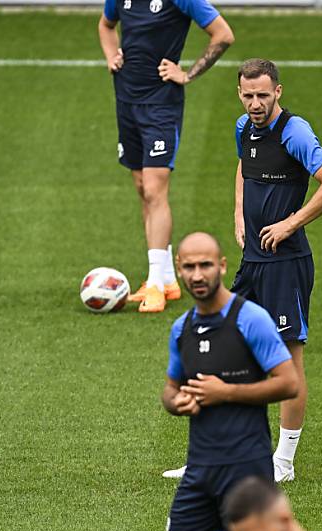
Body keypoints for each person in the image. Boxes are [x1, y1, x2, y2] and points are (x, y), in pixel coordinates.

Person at [164, 59, 322, 483]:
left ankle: (282, 462)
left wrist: (289, 223)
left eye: (263, 95)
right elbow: (244, 167)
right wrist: (238, 215)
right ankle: (213, 455)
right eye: (248, 95)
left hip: (287, 264)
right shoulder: (243, 128)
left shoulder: (293, 131)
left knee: (287, 362)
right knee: (225, 350)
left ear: (278, 92)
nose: (255, 103)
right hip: (253, 262)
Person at [158, 232, 300, 531]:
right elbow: (169, 388)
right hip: (200, 468)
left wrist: (227, 393)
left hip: (246, 469)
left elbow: (288, 382)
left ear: (221, 266)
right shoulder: (183, 328)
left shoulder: (250, 319)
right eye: (189, 266)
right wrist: (177, 402)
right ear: (178, 270)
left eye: (205, 265)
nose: (197, 274)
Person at [98, 0, 234, 313]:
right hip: (127, 100)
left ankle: (156, 284)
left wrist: (187, 74)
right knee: (142, 190)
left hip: (161, 106)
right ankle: (169, 280)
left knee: (155, 190)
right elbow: (106, 25)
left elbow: (223, 34)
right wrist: (111, 56)